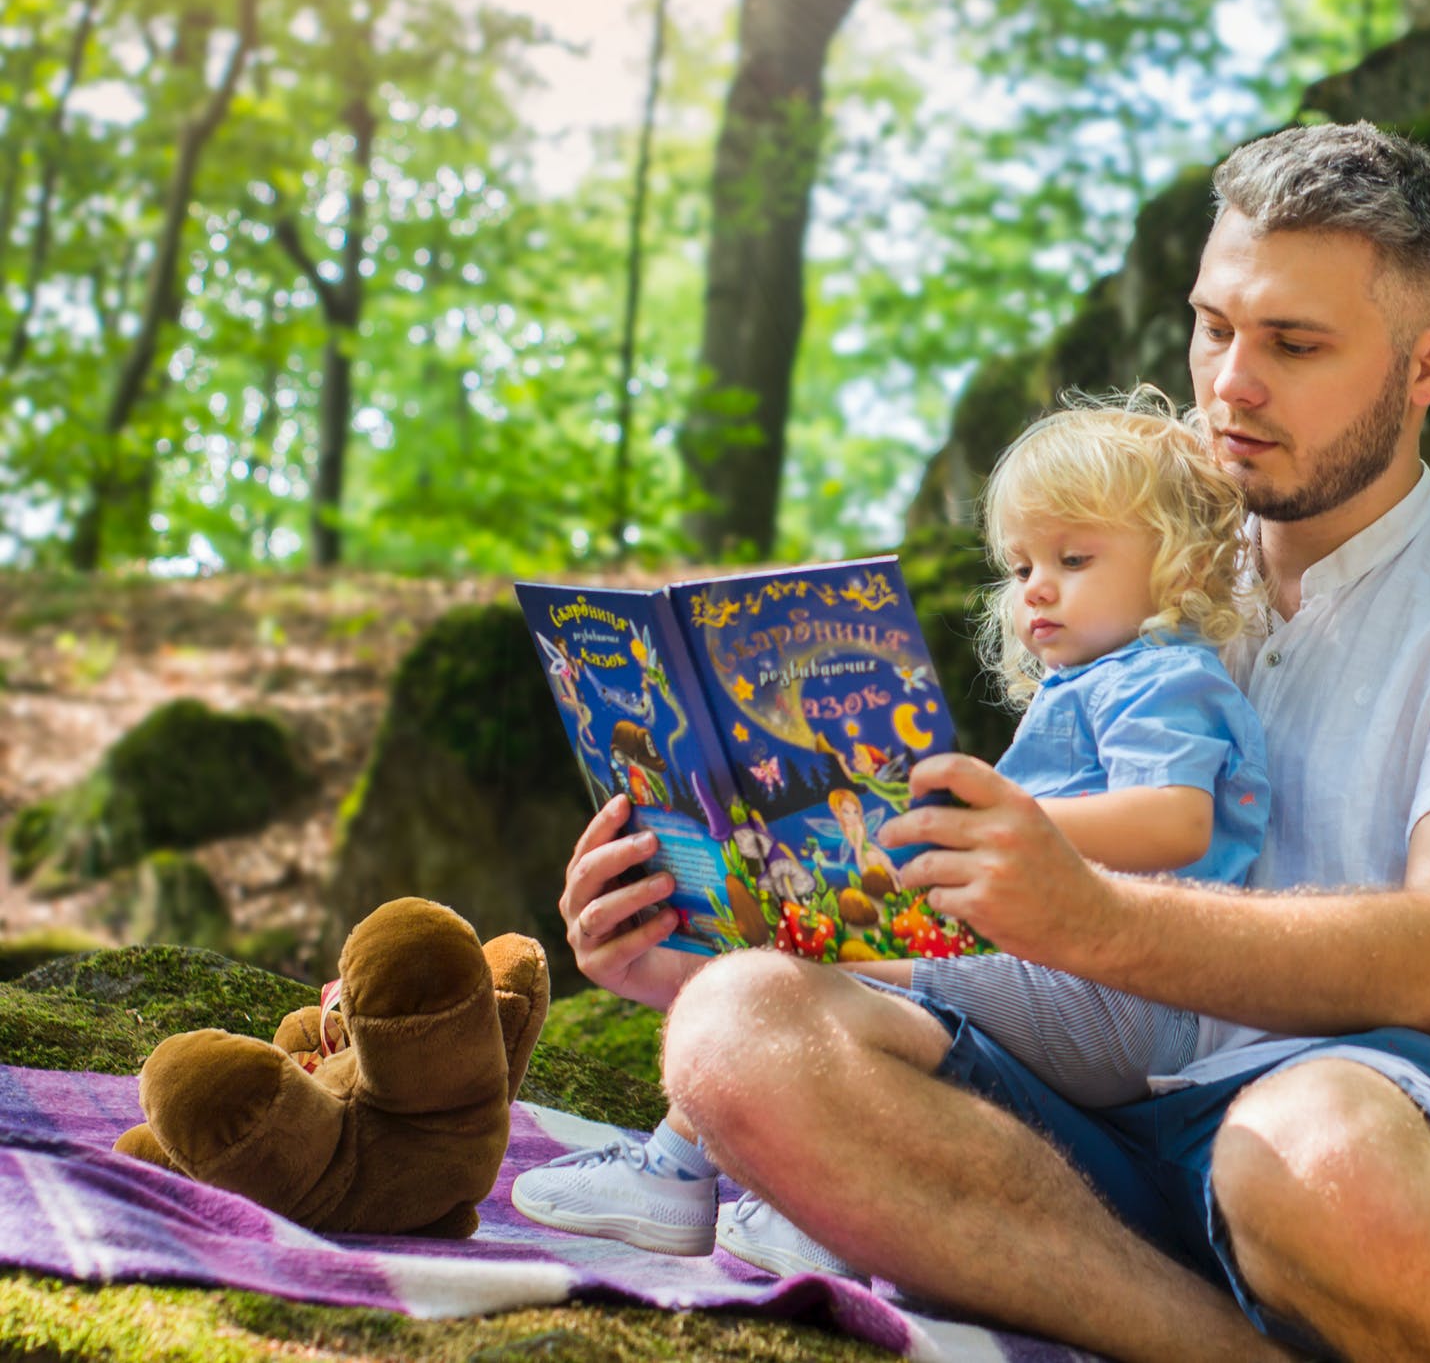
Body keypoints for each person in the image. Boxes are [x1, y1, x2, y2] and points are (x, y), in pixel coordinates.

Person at [560, 121, 1430, 1362]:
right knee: (736, 1025)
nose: (1232, 380)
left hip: (1374, 1122)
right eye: (1216, 325)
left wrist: (1084, 913)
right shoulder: (1132, 566)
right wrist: (696, 933)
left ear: (1429, 365)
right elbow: (1005, 926)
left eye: (1294, 343)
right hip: (1092, 1112)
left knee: (1310, 1145)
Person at [514, 393, 1272, 1259]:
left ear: (1183, 565)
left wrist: (1002, 824)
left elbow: (1176, 821)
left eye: (1074, 556)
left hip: (1120, 997)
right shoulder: (1095, 683)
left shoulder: (1167, 677)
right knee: (796, 968)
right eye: (1020, 567)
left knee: (822, 979)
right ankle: (749, 1182)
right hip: (1060, 976)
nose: (1039, 589)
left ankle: (718, 1185)